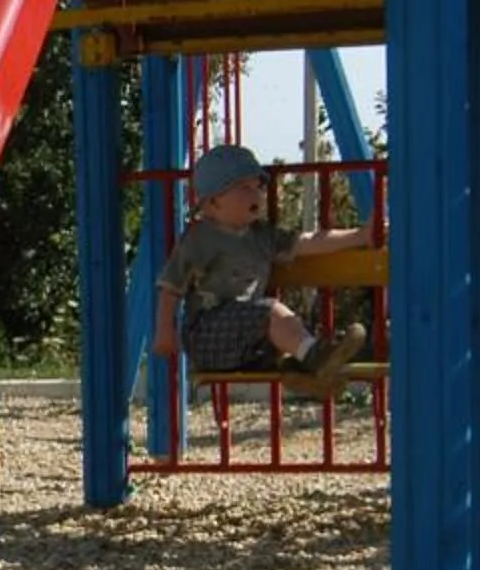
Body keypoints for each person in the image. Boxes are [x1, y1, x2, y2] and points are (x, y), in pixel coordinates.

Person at [150, 144, 369, 395]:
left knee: (279, 327)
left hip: (247, 342)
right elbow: (171, 288)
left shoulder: (262, 236)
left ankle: (307, 373)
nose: (256, 195)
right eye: (244, 188)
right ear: (212, 202)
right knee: (271, 312)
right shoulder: (199, 239)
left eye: (259, 187)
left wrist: (359, 236)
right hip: (207, 337)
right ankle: (317, 357)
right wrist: (164, 331)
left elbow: (307, 242)